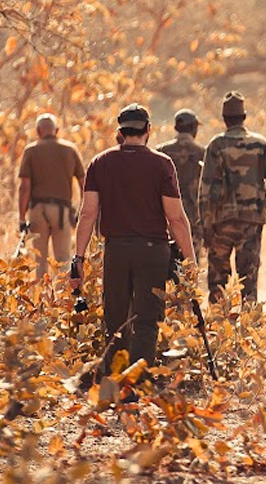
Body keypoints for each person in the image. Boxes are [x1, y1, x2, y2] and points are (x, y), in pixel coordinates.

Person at [72, 104, 196, 376]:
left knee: (116, 317)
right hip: (153, 251)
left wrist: (78, 258)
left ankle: (114, 375)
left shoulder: (100, 162)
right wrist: (191, 262)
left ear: (120, 131)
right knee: (147, 318)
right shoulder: (162, 163)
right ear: (148, 130)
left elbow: (88, 213)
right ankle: (138, 378)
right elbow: (175, 218)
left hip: (116, 249)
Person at [198, 91, 266, 303]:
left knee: (218, 282)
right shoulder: (260, 144)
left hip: (221, 223)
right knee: (248, 281)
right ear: (244, 116)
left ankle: (219, 330)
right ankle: (249, 330)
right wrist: (259, 192)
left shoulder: (216, 145)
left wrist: (206, 225)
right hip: (251, 222)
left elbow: (206, 189)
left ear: (224, 118)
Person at [18, 113, 85, 278]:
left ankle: (40, 301)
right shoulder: (70, 149)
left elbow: (25, 188)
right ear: (57, 130)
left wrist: (21, 217)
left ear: (38, 131)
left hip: (38, 210)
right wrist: (81, 212)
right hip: (62, 211)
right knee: (63, 260)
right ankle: (63, 301)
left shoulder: (31, 151)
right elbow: (84, 184)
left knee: (39, 260)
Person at [157, 109, 205, 257]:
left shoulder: (161, 152)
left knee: (166, 267)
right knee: (190, 266)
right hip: (193, 220)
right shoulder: (204, 153)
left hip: (164, 218)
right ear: (193, 128)